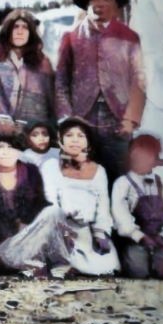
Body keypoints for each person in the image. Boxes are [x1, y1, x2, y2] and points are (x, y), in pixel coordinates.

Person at [56, 0, 146, 183]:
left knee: (119, 174)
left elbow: (138, 79)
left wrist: (131, 118)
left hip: (118, 118)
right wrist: (68, 119)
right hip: (82, 118)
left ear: (115, 5)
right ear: (87, 4)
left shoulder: (129, 37)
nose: (100, 4)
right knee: (82, 171)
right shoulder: (71, 37)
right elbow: (61, 80)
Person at [39, 117, 120, 276]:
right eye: (69, 135)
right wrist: (64, 227)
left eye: (80, 136)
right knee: (61, 262)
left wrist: (100, 232)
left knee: (106, 266)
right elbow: (50, 202)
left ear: (88, 142)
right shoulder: (50, 166)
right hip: (59, 228)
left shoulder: (99, 171)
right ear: (60, 140)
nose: (75, 140)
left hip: (85, 231)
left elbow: (103, 207)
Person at [0, 131, 51, 275]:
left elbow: (41, 203)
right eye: (0, 147)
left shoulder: (30, 172)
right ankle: (22, 264)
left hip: (29, 236)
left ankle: (36, 263)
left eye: (11, 147)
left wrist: (26, 222)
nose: (6, 152)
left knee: (54, 213)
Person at [111, 134, 163, 280]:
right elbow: (120, 215)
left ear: (155, 160)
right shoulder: (123, 183)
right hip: (136, 241)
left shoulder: (161, 184)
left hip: (161, 239)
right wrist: (139, 237)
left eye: (149, 156)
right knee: (138, 272)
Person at [0, 8, 54, 129]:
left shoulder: (42, 62)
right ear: (7, 30)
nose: (20, 32)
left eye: (25, 27)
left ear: (31, 32)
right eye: (15, 27)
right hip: (0, 133)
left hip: (35, 133)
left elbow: (51, 101)